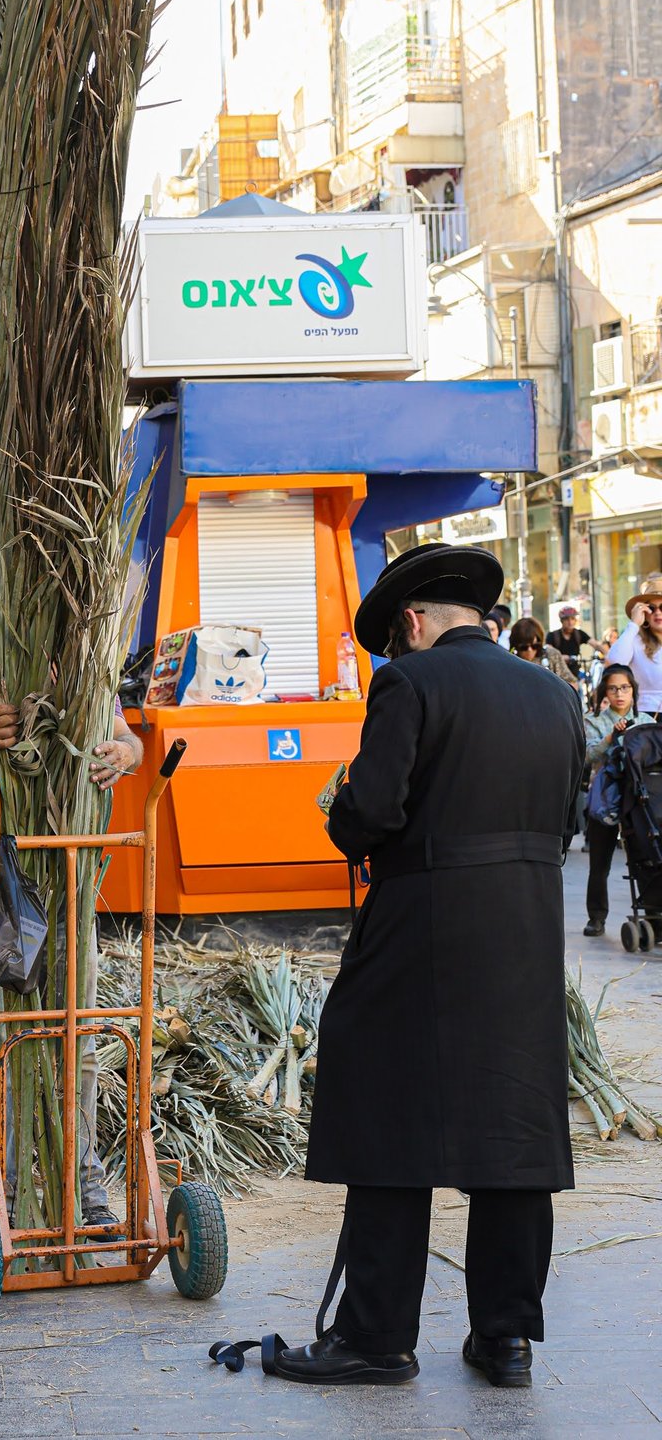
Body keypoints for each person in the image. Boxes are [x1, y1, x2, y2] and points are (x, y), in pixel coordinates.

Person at [263, 543, 583, 1391]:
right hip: (525, 930)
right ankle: (506, 1340)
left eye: (393, 641)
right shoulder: (556, 695)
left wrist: (343, 810)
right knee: (512, 1130)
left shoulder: (410, 684)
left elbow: (368, 813)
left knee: (388, 1118)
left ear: (411, 623)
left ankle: (374, 1337)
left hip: (422, 928)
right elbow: (566, 820)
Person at [0, 665, 142, 1226]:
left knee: (77, 1037)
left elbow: (130, 740)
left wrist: (123, 754)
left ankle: (84, 1188)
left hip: (68, 883)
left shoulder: (87, 663)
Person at [581, 665, 649, 937]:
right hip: (605, 798)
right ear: (605, 692)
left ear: (633, 690)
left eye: (625, 688)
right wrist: (612, 737)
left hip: (637, 799)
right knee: (600, 861)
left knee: (645, 856)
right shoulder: (594, 720)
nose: (620, 694)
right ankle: (596, 917)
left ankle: (652, 912)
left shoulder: (645, 720)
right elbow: (588, 757)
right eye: (613, 688)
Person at [604, 574, 662, 714]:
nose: (658, 613)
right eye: (651, 608)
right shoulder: (635, 640)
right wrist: (634, 624)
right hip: (647, 716)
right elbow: (614, 661)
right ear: (644, 613)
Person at [509, 616, 579, 688]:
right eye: (524, 647)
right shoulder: (510, 662)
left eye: (535, 646)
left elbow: (572, 683)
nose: (530, 650)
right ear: (515, 645)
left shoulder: (551, 655)